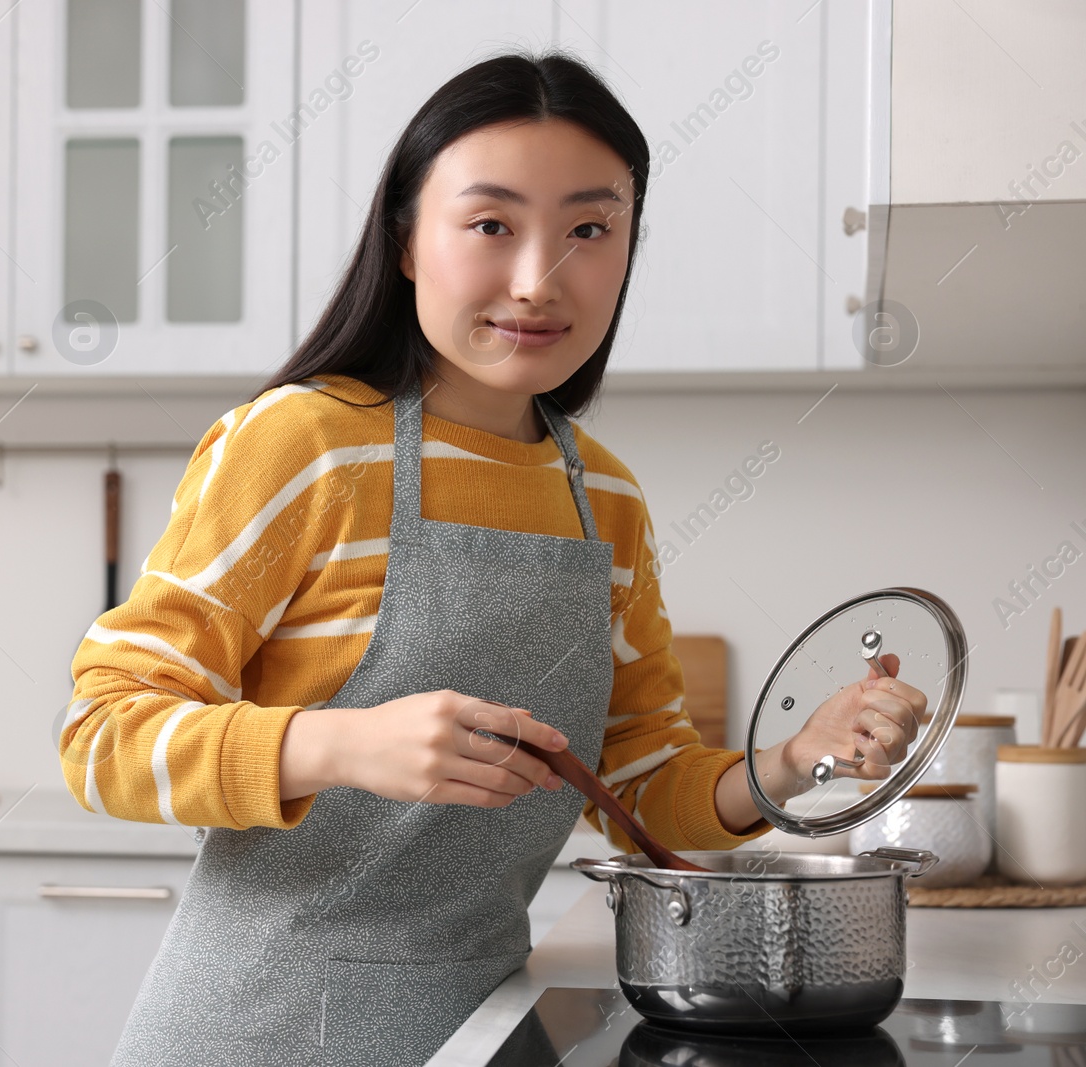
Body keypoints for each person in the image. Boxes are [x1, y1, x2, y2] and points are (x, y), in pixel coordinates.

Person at [58, 49, 926, 1066]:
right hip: (261, 1025)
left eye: (589, 230)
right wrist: (339, 745)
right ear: (408, 242)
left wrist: (789, 759)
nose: (536, 278)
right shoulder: (302, 444)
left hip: (484, 1018)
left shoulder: (601, 495)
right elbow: (101, 735)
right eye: (490, 224)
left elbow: (637, 784)